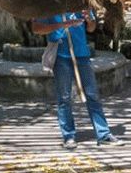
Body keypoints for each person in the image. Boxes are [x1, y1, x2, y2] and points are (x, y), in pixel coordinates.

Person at [32, 10, 123, 150]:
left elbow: (91, 28)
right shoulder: (50, 4)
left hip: (82, 55)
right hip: (61, 57)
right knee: (64, 98)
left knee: (93, 95)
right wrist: (63, 25)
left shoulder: (81, 2)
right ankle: (68, 136)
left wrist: (89, 19)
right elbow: (37, 28)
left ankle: (103, 135)